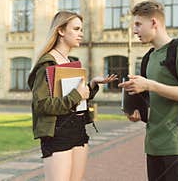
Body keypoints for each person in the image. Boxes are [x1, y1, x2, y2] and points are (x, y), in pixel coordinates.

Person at [27, 11, 117, 181]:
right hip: (57, 133)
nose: (81, 33)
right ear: (61, 31)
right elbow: (41, 105)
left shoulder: (69, 62)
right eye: (76, 29)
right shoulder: (47, 64)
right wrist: (76, 94)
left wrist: (91, 86)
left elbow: (74, 100)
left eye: (81, 29)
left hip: (78, 129)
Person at [118, 0, 178, 181]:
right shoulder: (148, 57)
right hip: (153, 143)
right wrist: (136, 111)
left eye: (138, 24)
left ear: (154, 23)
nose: (134, 31)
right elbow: (152, 100)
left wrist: (149, 85)